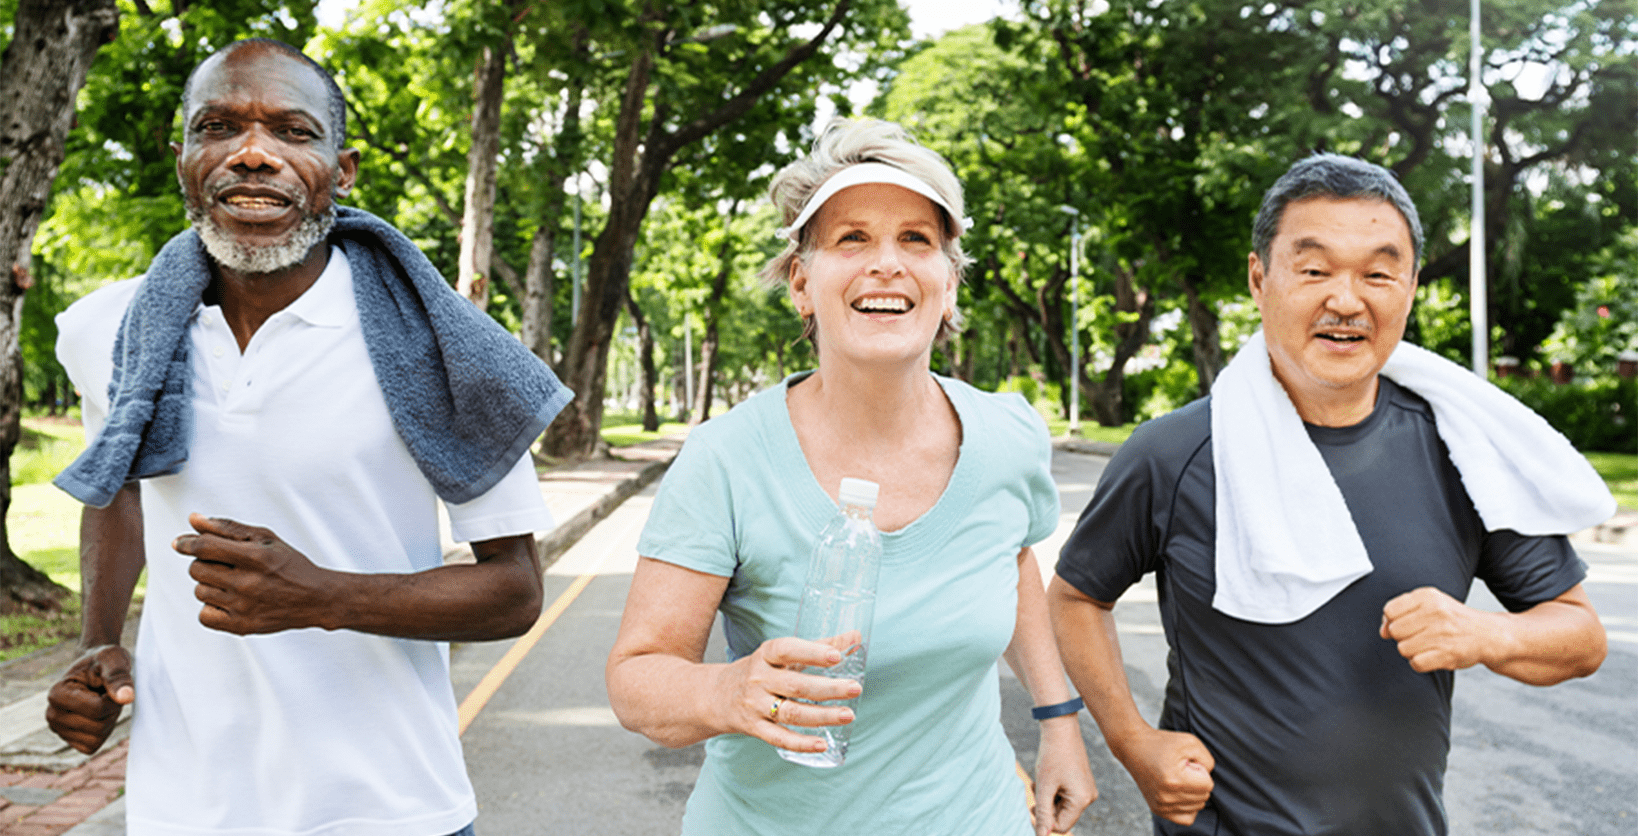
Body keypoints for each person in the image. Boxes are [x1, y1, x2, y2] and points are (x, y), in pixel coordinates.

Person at [44, 39, 570, 836]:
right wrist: (96, 645)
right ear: (181, 152)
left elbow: (516, 591)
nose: (253, 155)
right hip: (179, 810)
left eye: (293, 131)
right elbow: (117, 483)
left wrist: (321, 596)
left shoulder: (441, 348)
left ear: (342, 168)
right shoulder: (106, 329)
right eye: (219, 126)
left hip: (394, 811)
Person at [1048, 152, 1611, 836]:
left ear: (1407, 288)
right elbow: (1076, 595)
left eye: (1378, 273)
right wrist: (1133, 742)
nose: (1346, 300)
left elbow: (1580, 637)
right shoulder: (1175, 453)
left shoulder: (1462, 449)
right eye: (1313, 270)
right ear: (1260, 279)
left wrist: (1486, 632)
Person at [605, 117, 1097, 836]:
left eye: (916, 240)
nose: (887, 263)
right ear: (803, 284)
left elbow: (1011, 560)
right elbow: (636, 679)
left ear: (949, 284)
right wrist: (729, 691)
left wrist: (1059, 724)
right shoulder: (727, 458)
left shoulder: (1007, 436)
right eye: (852, 238)